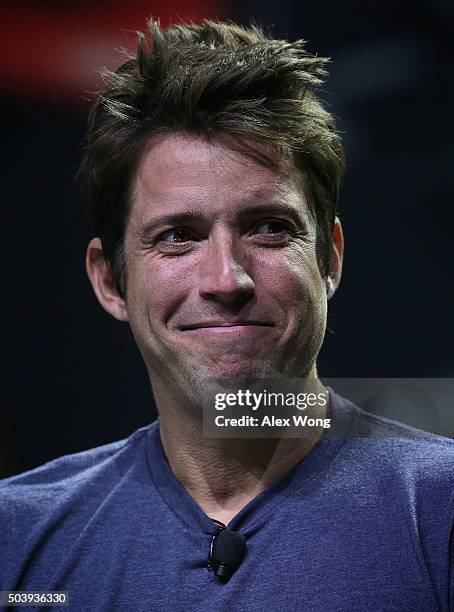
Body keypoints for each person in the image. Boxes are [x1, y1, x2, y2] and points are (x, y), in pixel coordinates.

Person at [0, 19, 453, 611]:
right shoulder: (17, 538)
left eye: (269, 229)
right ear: (110, 280)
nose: (226, 280)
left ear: (330, 260)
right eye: (178, 237)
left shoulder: (442, 511)